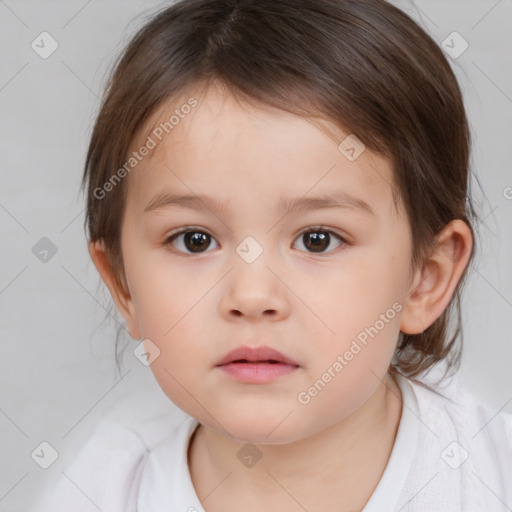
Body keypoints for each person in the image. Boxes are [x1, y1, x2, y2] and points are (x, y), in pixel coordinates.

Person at [30, 0, 512, 510]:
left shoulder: (490, 476)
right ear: (123, 285)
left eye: (318, 239)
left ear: (425, 278)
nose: (252, 296)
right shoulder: (99, 492)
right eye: (195, 239)